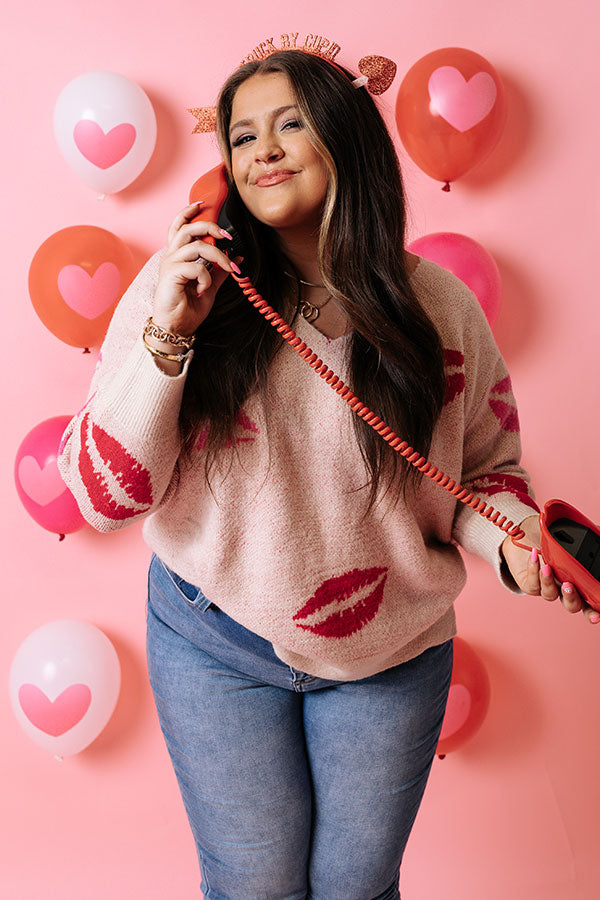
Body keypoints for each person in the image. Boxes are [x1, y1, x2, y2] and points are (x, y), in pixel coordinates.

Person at [57, 49, 596, 900]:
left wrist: (515, 547)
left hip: (393, 648)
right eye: (242, 136)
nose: (263, 150)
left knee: (358, 888)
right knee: (254, 886)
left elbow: (485, 475)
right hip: (215, 637)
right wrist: (171, 334)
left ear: (346, 135)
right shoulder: (179, 288)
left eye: (291, 123)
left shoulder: (442, 307)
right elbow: (102, 498)